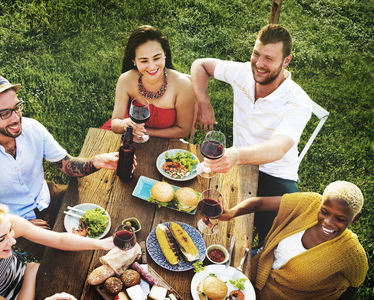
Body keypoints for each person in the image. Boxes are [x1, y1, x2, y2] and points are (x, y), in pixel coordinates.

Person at [191, 24, 312, 244]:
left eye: (269, 58)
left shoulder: (298, 102)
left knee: (279, 240)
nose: (259, 64)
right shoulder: (243, 72)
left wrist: (236, 155)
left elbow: (278, 147)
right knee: (196, 206)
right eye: (256, 54)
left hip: (276, 174)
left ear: (287, 61)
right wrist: (203, 101)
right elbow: (200, 65)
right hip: (237, 162)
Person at [0, 71, 120, 229]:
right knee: (65, 255)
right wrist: (12, 223)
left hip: (47, 196)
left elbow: (67, 166)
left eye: (17, 107)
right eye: (5, 113)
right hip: (12, 222)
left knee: (103, 208)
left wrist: (96, 161)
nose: (15, 118)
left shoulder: (32, 127)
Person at [213, 181, 368, 299]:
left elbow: (354, 286)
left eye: (340, 219)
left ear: (355, 218)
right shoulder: (310, 203)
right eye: (324, 212)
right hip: (258, 266)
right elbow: (259, 203)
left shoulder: (352, 253)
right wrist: (231, 213)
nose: (328, 222)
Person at [0, 200, 114, 300]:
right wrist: (30, 273)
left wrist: (103, 244)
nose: (13, 239)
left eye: (9, 230)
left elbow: (59, 239)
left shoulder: (3, 224)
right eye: (1, 239)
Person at [100, 25, 195, 139]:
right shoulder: (125, 79)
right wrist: (125, 124)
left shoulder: (183, 85)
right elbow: (115, 124)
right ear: (134, 60)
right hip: (125, 136)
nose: (152, 66)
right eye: (144, 60)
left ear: (164, 53)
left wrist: (144, 132)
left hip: (163, 142)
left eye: (156, 58)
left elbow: (183, 131)